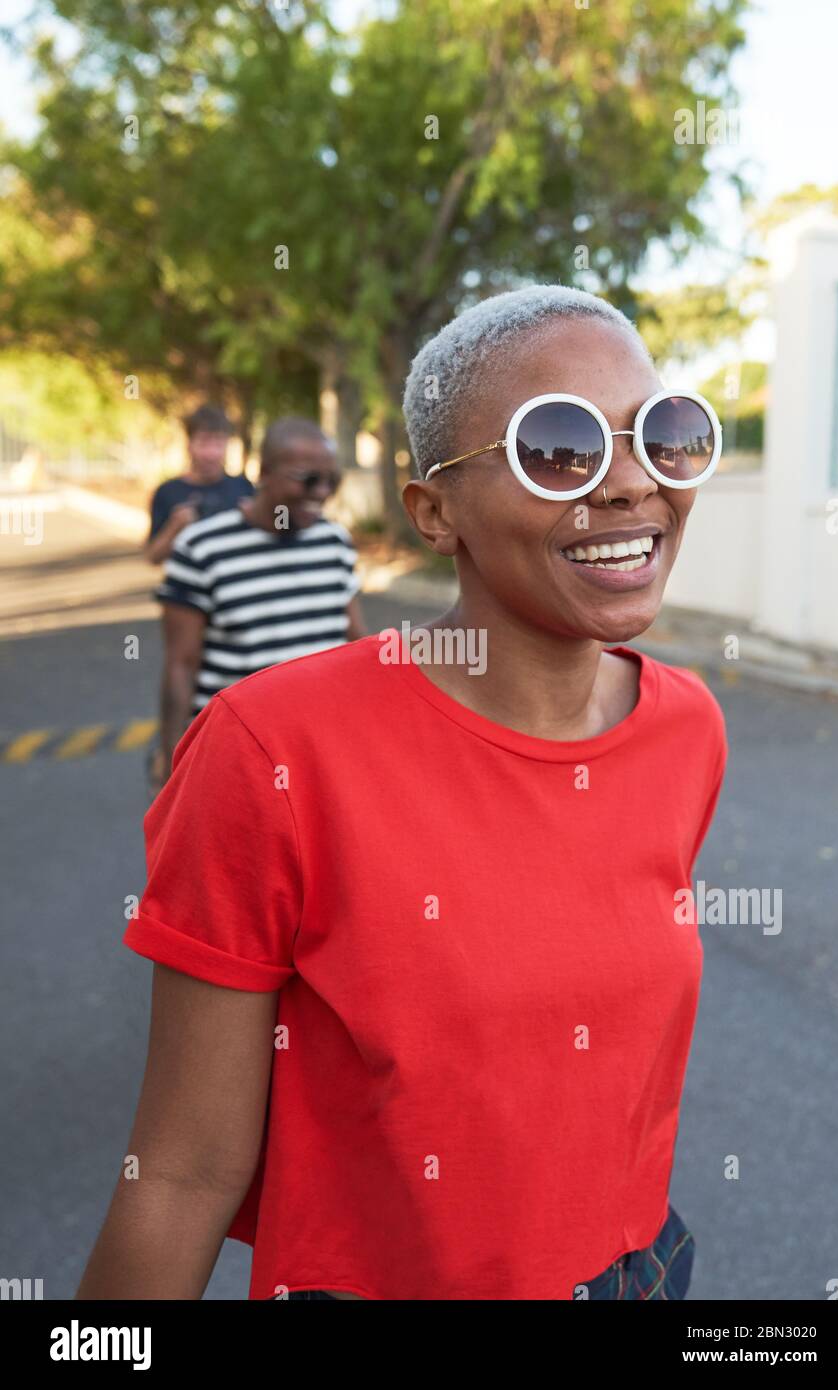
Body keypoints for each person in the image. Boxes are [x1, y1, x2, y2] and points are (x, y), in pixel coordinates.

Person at [78, 285, 726, 1301]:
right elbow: (181, 1170)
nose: (632, 484)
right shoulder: (270, 751)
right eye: (558, 449)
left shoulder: (688, 729)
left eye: (665, 432)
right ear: (435, 511)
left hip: (636, 1273)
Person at [150, 415, 366, 792]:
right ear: (264, 472)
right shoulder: (202, 548)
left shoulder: (334, 542)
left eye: (332, 480)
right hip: (236, 752)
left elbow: (354, 642)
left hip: (322, 749)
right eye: (308, 478)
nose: (321, 492)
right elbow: (180, 666)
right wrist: (173, 764)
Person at [144, 404, 254, 567]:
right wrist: (175, 527)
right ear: (189, 444)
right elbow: (153, 557)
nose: (211, 453)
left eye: (218, 443)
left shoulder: (243, 487)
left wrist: (253, 519)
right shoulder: (167, 492)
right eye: (203, 442)